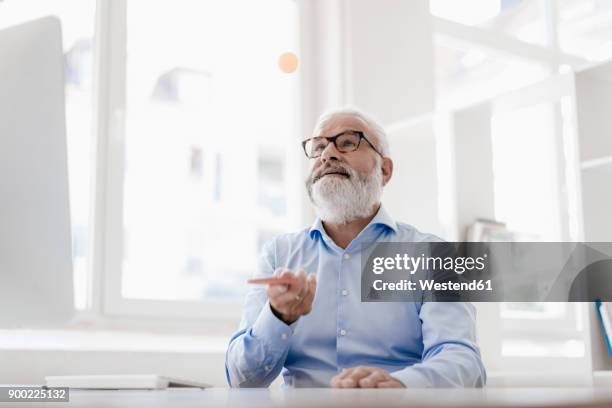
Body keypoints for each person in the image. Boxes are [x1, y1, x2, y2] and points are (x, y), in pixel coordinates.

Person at [225, 108, 486, 388]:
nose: (327, 154)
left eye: (348, 142)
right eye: (319, 147)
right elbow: (243, 380)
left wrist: (400, 385)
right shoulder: (278, 254)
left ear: (385, 170)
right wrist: (277, 317)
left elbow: (464, 362)